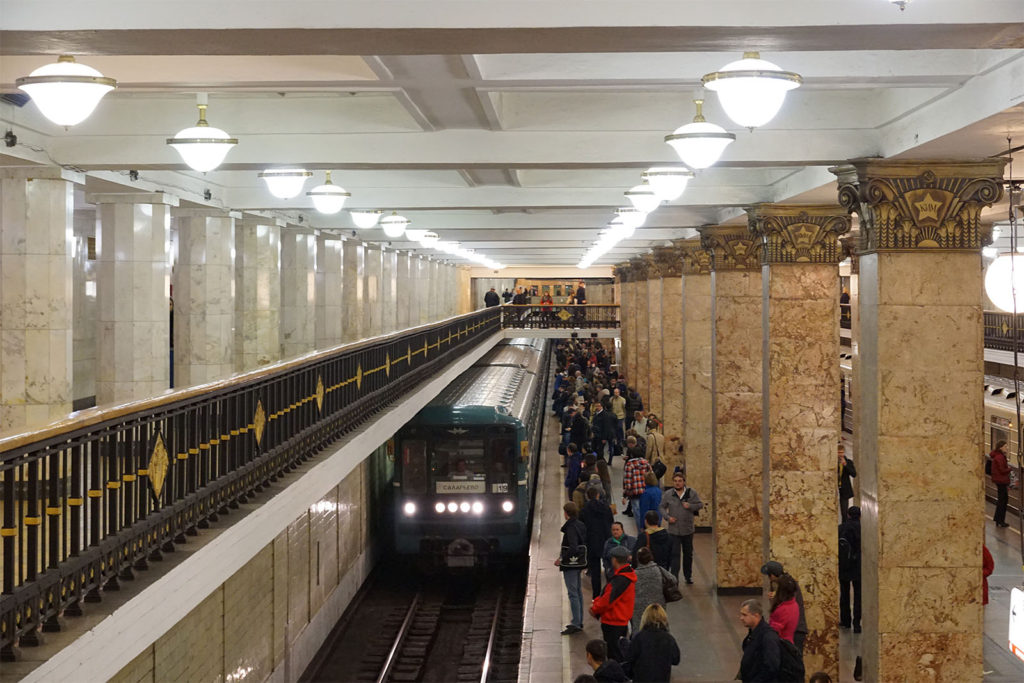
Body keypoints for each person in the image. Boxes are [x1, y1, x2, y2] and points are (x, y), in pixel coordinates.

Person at [590, 545, 636, 661]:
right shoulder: (627, 576)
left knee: (614, 656)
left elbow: (607, 600)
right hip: (620, 622)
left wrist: (594, 608)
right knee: (618, 653)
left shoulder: (620, 580)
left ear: (614, 560)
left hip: (613, 623)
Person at [660, 471, 704, 584]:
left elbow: (700, 505)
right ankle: (675, 578)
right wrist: (667, 517)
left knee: (688, 554)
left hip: (688, 530)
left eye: (680, 481)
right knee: (675, 555)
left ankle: (688, 576)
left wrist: (690, 506)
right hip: (674, 530)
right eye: (675, 481)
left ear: (684, 482)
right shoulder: (668, 494)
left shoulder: (691, 493)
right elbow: (661, 507)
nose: (677, 483)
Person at [621, 603, 680, 683]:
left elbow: (629, 657)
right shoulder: (668, 639)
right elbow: (676, 660)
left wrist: (624, 643)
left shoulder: (639, 637)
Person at [760, 561, 808, 651]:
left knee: (793, 661)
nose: (769, 579)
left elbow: (785, 609)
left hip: (794, 631)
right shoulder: (787, 582)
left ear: (773, 575)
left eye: (769, 576)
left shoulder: (787, 585)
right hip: (794, 629)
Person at [629, 546, 677, 633]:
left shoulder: (634, 575)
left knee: (639, 630)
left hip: (639, 608)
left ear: (638, 559)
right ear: (651, 557)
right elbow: (673, 580)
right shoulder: (658, 570)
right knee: (660, 628)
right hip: (657, 606)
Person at [557, 502, 587, 635]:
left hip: (570, 564)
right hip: (579, 563)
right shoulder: (580, 524)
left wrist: (562, 559)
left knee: (573, 593)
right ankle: (579, 620)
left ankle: (576, 623)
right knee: (578, 592)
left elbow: (573, 547)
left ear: (567, 513)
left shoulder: (571, 527)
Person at [581, 486, 614, 598]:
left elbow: (582, 527)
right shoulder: (606, 508)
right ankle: (609, 594)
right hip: (606, 541)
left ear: (587, 496)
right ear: (598, 495)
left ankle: (596, 596)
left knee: (595, 571)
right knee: (609, 568)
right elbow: (611, 522)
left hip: (592, 542)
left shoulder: (584, 509)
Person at [738, 599, 781, 683]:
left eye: (744, 615)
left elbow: (772, 666)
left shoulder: (768, 636)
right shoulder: (753, 632)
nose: (741, 618)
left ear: (756, 616)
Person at [838, 505, 862, 632]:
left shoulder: (842, 528)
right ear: (860, 516)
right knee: (858, 595)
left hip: (844, 566)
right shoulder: (863, 529)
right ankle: (857, 623)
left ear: (848, 515)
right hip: (858, 566)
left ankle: (845, 621)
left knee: (844, 594)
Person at [622, 447, 653, 531]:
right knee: (646, 511)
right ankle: (648, 528)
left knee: (637, 513)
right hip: (646, 491)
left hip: (634, 492)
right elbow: (651, 476)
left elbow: (627, 481)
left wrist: (625, 495)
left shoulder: (629, 464)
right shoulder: (646, 463)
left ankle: (641, 531)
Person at [768, 574, 800, 644]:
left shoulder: (782, 610)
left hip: (780, 646)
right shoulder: (794, 604)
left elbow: (773, 633)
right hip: (789, 643)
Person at [990, 440, 1011, 528]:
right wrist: (1009, 469)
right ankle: (1000, 520)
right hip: (1001, 481)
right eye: (1005, 446)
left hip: (999, 481)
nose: (1007, 448)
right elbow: (1002, 470)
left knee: (1002, 500)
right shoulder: (1000, 457)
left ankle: (998, 520)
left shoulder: (998, 456)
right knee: (1003, 501)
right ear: (1001, 447)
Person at [838, 443, 856, 521]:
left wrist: (845, 464)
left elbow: (854, 474)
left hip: (844, 490)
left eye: (841, 452)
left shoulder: (848, 462)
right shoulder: (832, 462)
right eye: (838, 452)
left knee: (844, 512)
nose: (840, 454)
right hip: (834, 489)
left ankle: (844, 528)